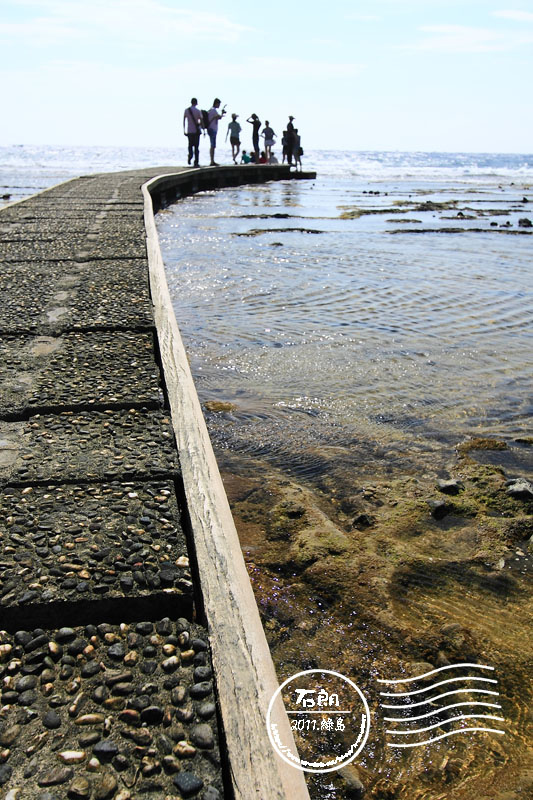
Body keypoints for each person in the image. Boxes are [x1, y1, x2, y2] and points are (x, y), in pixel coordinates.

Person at [183, 97, 202, 167]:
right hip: (196, 131)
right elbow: (201, 120)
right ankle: (196, 162)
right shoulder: (198, 111)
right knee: (196, 147)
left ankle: (190, 155)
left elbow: (184, 120)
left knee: (190, 145)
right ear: (196, 103)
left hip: (189, 131)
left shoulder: (186, 110)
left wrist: (184, 130)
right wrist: (203, 128)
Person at [207, 98, 226, 166]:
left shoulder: (210, 110)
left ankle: (212, 160)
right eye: (219, 104)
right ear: (216, 103)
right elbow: (219, 117)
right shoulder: (213, 110)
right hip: (212, 129)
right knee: (213, 145)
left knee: (213, 145)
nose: (219, 105)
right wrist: (222, 113)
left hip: (211, 129)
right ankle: (212, 161)